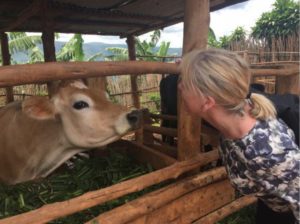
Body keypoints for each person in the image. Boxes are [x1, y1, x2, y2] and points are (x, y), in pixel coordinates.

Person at [178, 48, 299, 224]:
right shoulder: (232, 108)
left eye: (185, 83)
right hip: (272, 203)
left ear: (207, 102)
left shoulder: (269, 154)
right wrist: (191, 69)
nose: (179, 86)